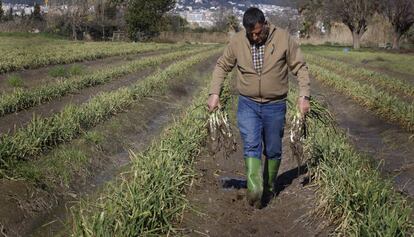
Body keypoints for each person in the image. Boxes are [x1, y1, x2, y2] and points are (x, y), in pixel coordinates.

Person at [207, 7, 310, 208]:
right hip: (248, 104)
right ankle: (254, 190)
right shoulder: (238, 41)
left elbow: (300, 67)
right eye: (250, 34)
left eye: (257, 32)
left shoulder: (282, 39)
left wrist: (304, 96)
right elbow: (221, 66)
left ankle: (269, 187)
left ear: (264, 24)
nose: (254, 37)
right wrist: (214, 93)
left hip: (275, 105)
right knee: (252, 145)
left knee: (273, 150)